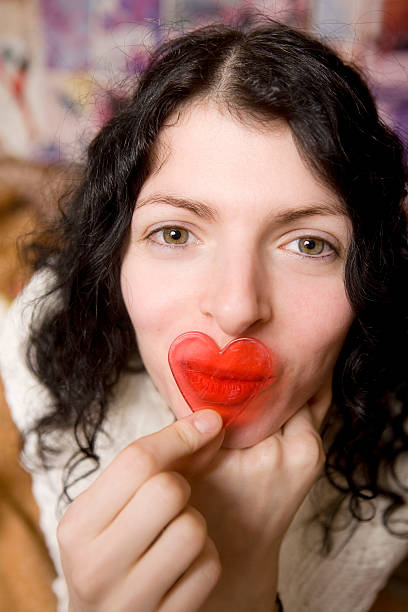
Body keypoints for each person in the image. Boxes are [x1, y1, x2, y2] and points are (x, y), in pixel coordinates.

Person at [0, 17, 407, 612]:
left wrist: (242, 591)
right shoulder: (46, 341)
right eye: (174, 232)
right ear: (114, 254)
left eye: (309, 244)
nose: (239, 309)